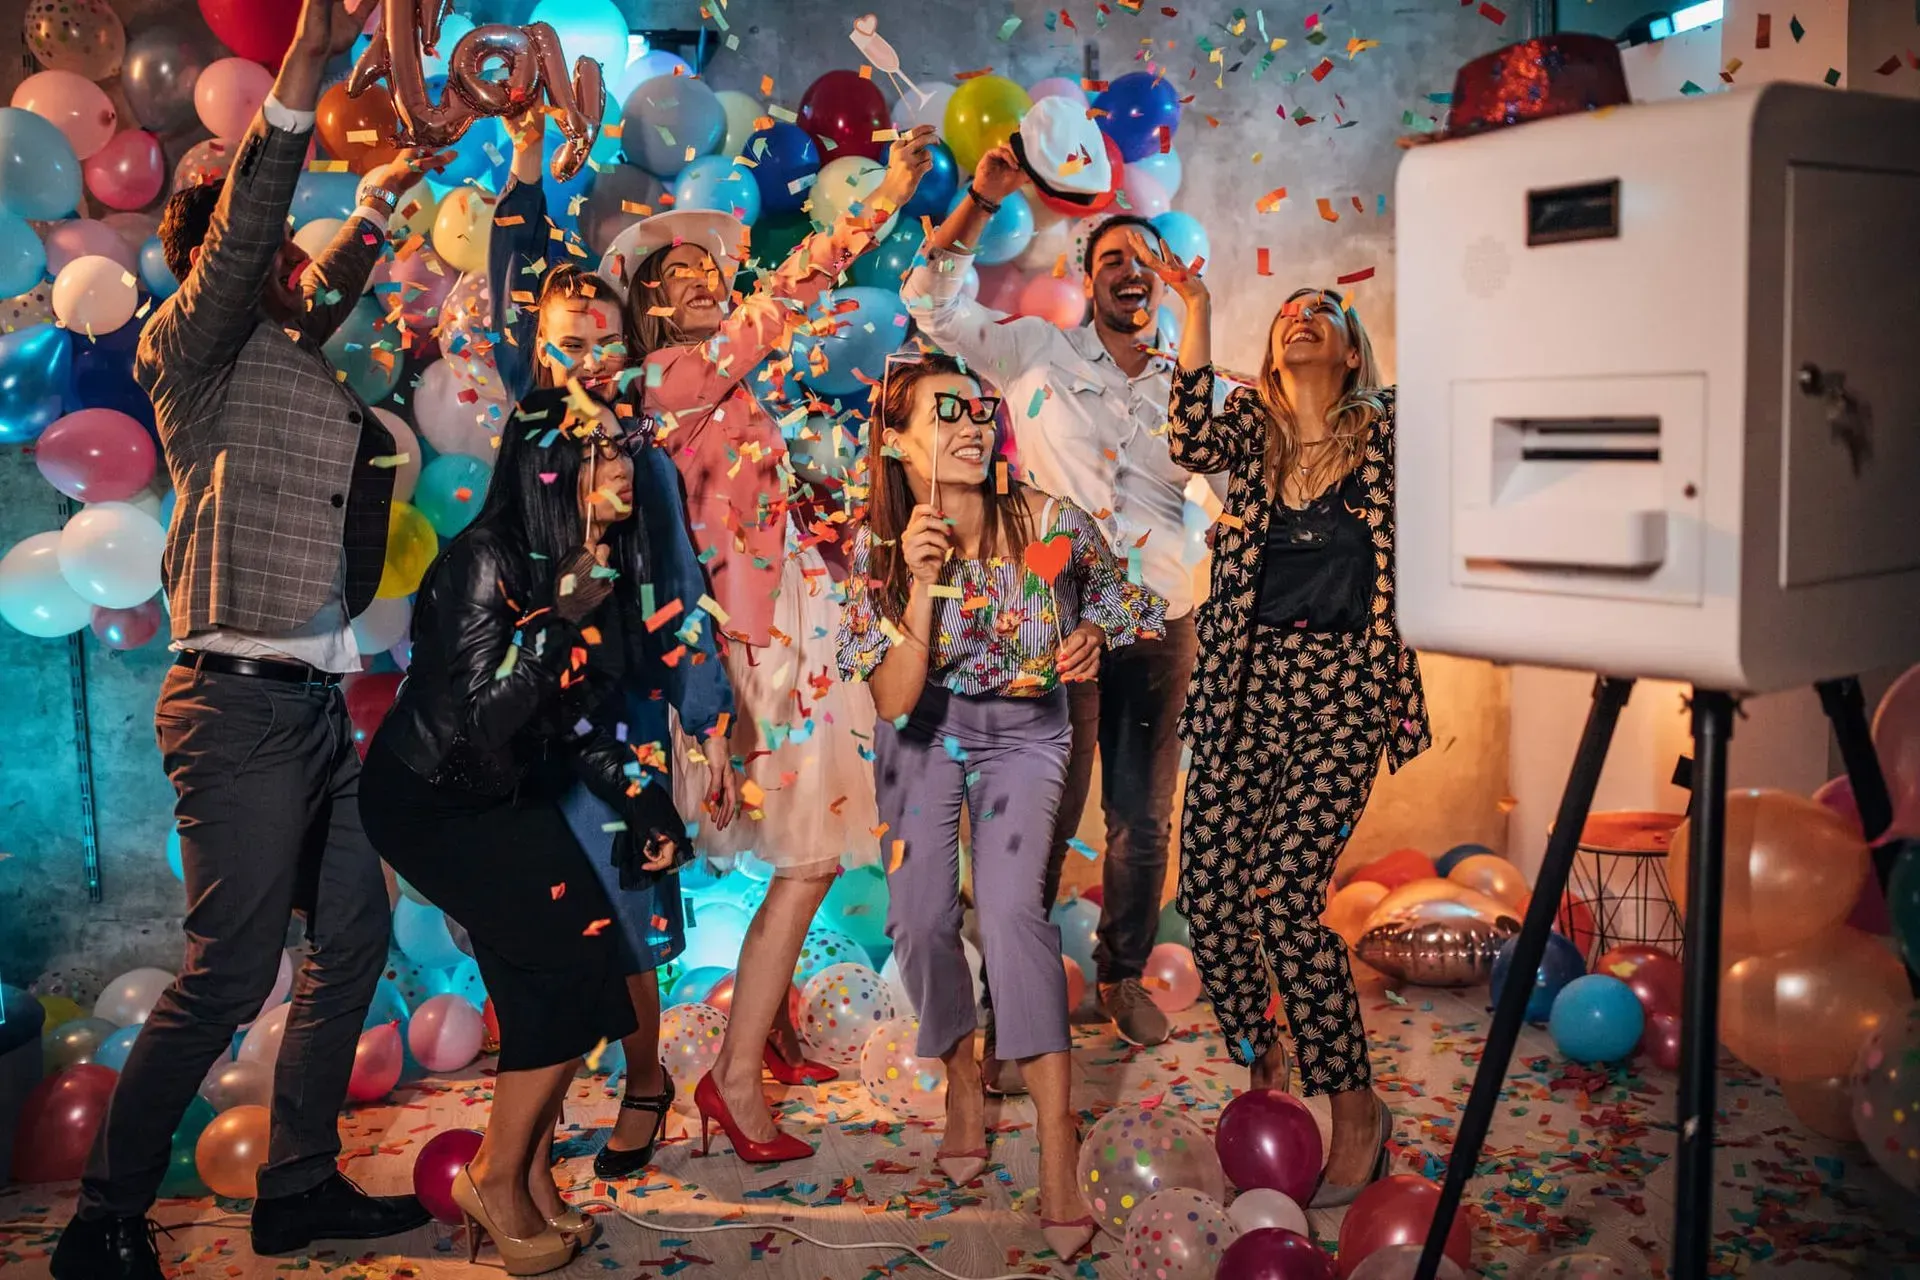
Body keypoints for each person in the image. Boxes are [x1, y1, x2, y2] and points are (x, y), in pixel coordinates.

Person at [51, 2, 442, 1275]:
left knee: (354, 945)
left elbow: (322, 280)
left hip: (314, 708)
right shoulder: (194, 346)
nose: (288, 260)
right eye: (258, 241)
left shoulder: (285, 348)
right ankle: (103, 1224)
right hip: (235, 708)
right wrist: (301, 78)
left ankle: (297, 1186)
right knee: (226, 978)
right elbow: (253, 254)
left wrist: (388, 193)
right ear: (219, 252)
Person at [619, 124, 937, 1161]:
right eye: (682, 274)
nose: (706, 280)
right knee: (805, 859)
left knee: (810, 849)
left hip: (796, 618)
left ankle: (755, 1045)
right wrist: (886, 193)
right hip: (762, 643)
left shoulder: (709, 382)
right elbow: (792, 293)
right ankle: (734, 1077)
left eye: (713, 267)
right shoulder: (671, 377)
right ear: (650, 304)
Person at [902, 143, 1220, 1080]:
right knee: (1036, 814)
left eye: (1144, 260)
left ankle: (1121, 974)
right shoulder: (1033, 351)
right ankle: (1013, 1002)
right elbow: (930, 302)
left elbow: (1225, 472)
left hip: (1159, 613)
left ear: (1164, 280)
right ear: (1085, 277)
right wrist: (979, 199)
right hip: (1053, 618)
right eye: (1110, 257)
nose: (1128, 271)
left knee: (1143, 811)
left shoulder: (1188, 382)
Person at [838, 352, 1165, 1260]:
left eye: (978, 410)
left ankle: (1058, 1151)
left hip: (1027, 731)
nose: (972, 427)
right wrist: (917, 584)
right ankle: (962, 1084)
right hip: (923, 731)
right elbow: (898, 700)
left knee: (1017, 913)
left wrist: (1094, 631)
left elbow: (1124, 598)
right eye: (944, 415)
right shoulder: (873, 553)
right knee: (921, 919)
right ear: (898, 443)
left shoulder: (1049, 522)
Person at [1133, 236, 1432, 1206]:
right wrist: (1199, 314)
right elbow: (1186, 436)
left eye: (1326, 311)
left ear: (1351, 351)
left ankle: (1354, 1102)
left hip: (1343, 686)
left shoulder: (1388, 432)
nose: (1304, 315)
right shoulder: (1248, 434)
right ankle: (1266, 1045)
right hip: (1242, 686)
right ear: (1269, 352)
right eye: (1289, 312)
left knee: (1283, 888)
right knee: (1213, 899)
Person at [360, 388, 686, 1273]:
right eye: (600, 451)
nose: (622, 466)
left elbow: (575, 720)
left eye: (625, 448)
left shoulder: (590, 559)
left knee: (590, 983)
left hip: (506, 789)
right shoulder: (484, 559)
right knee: (570, 975)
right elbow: (479, 725)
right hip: (433, 797)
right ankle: (496, 1182)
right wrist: (560, 622)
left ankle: (531, 1186)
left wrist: (647, 805)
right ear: (549, 465)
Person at [488, 108, 736, 1181]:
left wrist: (711, 728)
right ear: (536, 348)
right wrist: (530, 165)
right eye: (564, 338)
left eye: (604, 342)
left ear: (628, 356)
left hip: (618, 716)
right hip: (516, 706)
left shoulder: (650, 460)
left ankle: (645, 1076)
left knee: (623, 903)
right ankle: (530, 1135)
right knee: (531, 919)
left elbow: (682, 597)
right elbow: (513, 273)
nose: (586, 355)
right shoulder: (526, 422)